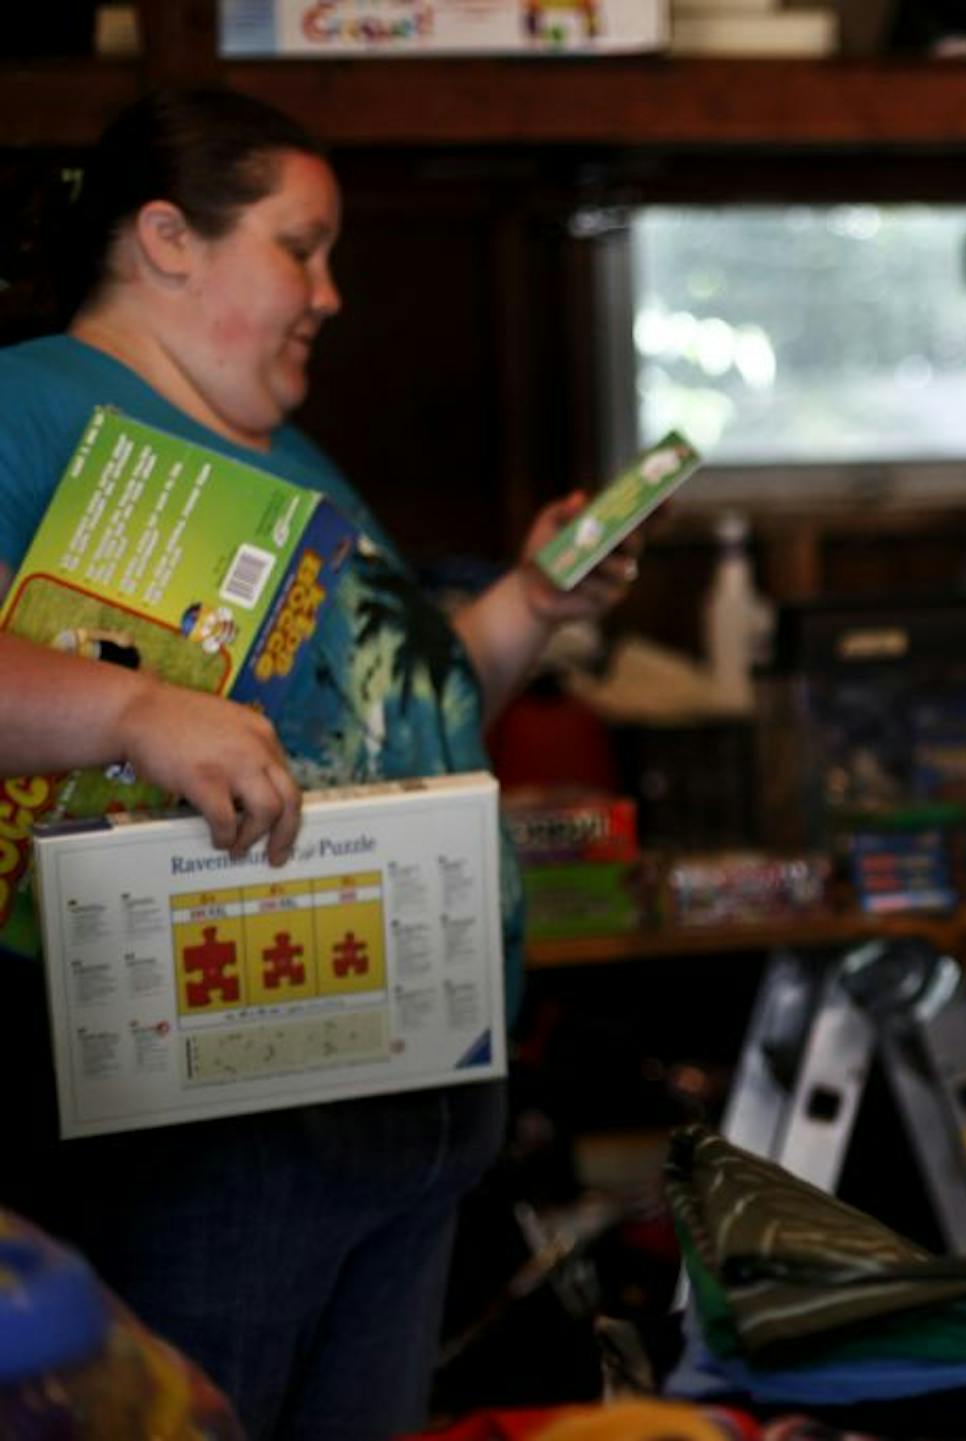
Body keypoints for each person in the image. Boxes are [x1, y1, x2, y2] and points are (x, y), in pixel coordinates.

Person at [0, 89, 643, 1439]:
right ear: (167, 239)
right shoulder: (29, 404)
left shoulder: (291, 452)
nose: (332, 293)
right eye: (304, 246)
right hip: (213, 1116)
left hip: (413, 1078)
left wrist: (531, 601)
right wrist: (132, 714)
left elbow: (394, 706)